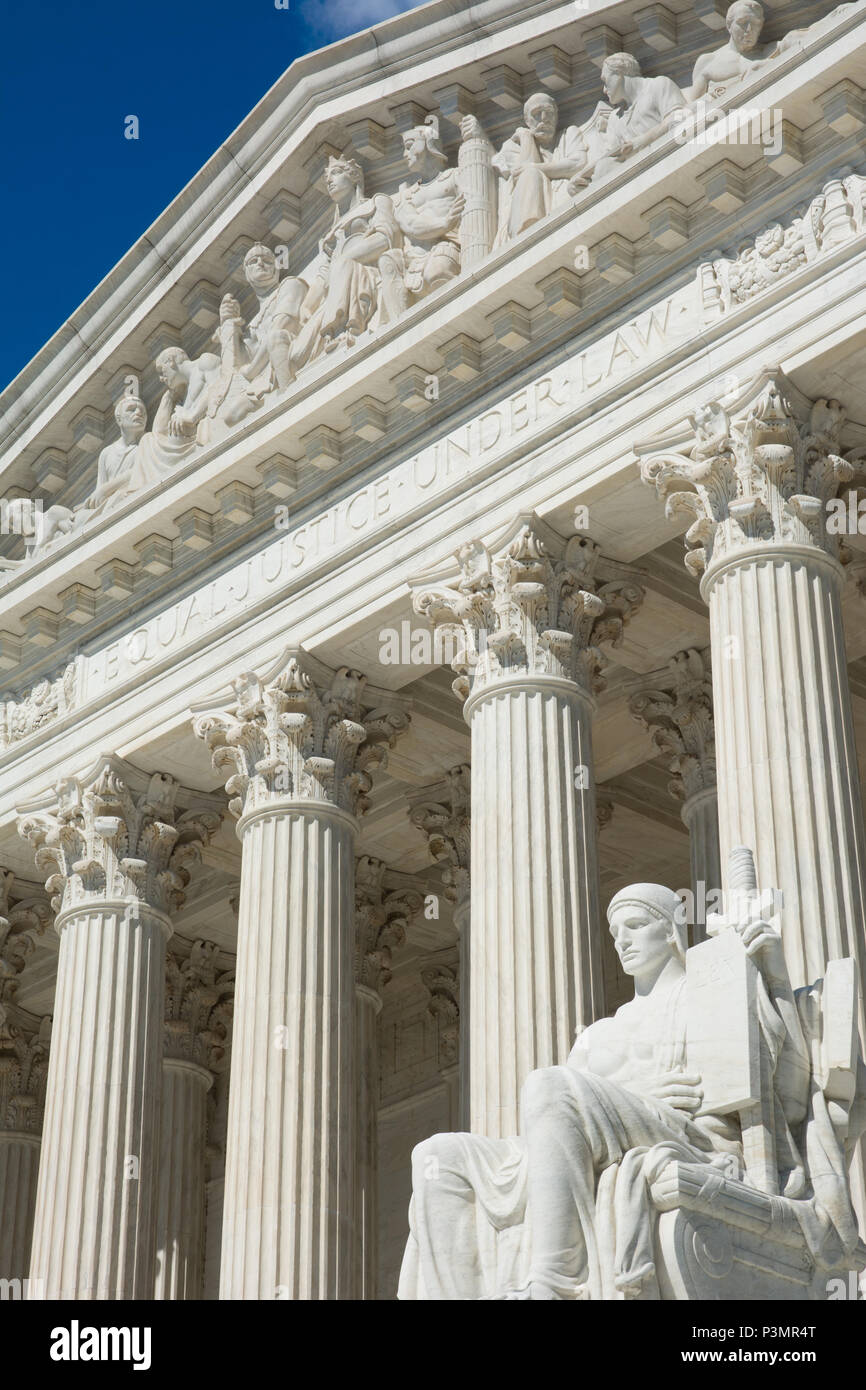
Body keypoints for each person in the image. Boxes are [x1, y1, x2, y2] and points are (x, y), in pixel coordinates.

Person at [398, 877, 826, 1300]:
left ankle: (554, 1278)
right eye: (615, 932)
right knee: (438, 1154)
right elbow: (550, 1132)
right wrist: (636, 1090)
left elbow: (787, 1096)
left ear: (672, 929)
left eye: (635, 925)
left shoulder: (707, 999)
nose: (621, 941)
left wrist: (774, 977)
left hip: (688, 1136)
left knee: (549, 1083)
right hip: (597, 1139)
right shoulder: (598, 1035)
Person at [290, 155, 401, 370]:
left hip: (365, 274)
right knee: (295, 356)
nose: (329, 180)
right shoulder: (331, 232)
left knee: (343, 265)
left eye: (336, 173)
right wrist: (306, 305)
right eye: (326, 177)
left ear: (354, 177)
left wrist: (347, 257)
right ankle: (332, 333)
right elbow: (324, 275)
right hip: (334, 295)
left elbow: (387, 238)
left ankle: (342, 333)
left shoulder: (375, 203)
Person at [466, 93, 588, 245]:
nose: (544, 118)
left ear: (556, 116)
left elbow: (578, 163)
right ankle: (528, 236)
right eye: (537, 114)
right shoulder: (512, 147)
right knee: (530, 174)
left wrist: (535, 167)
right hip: (519, 221)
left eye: (549, 112)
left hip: (565, 202)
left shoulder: (568, 133)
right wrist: (526, 137)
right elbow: (524, 177)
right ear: (527, 120)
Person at [380, 116, 463, 318]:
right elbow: (411, 224)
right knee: (387, 260)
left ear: (429, 143)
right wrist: (444, 223)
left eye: (409, 146)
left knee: (437, 272)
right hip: (413, 259)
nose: (404, 154)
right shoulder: (406, 194)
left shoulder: (455, 176)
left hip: (447, 249)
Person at [570, 53, 687, 190]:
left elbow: (680, 117)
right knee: (604, 168)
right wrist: (581, 176)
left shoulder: (658, 85)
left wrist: (641, 141)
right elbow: (610, 154)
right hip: (638, 179)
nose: (604, 89)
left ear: (619, 73)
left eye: (605, 80)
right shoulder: (615, 118)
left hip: (669, 161)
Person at [218, 244, 307, 392]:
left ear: (276, 268)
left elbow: (282, 325)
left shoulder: (291, 284)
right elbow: (235, 370)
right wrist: (228, 324)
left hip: (287, 359)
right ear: (246, 273)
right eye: (253, 261)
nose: (260, 263)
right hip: (263, 380)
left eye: (266, 260)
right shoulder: (251, 326)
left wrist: (252, 370)